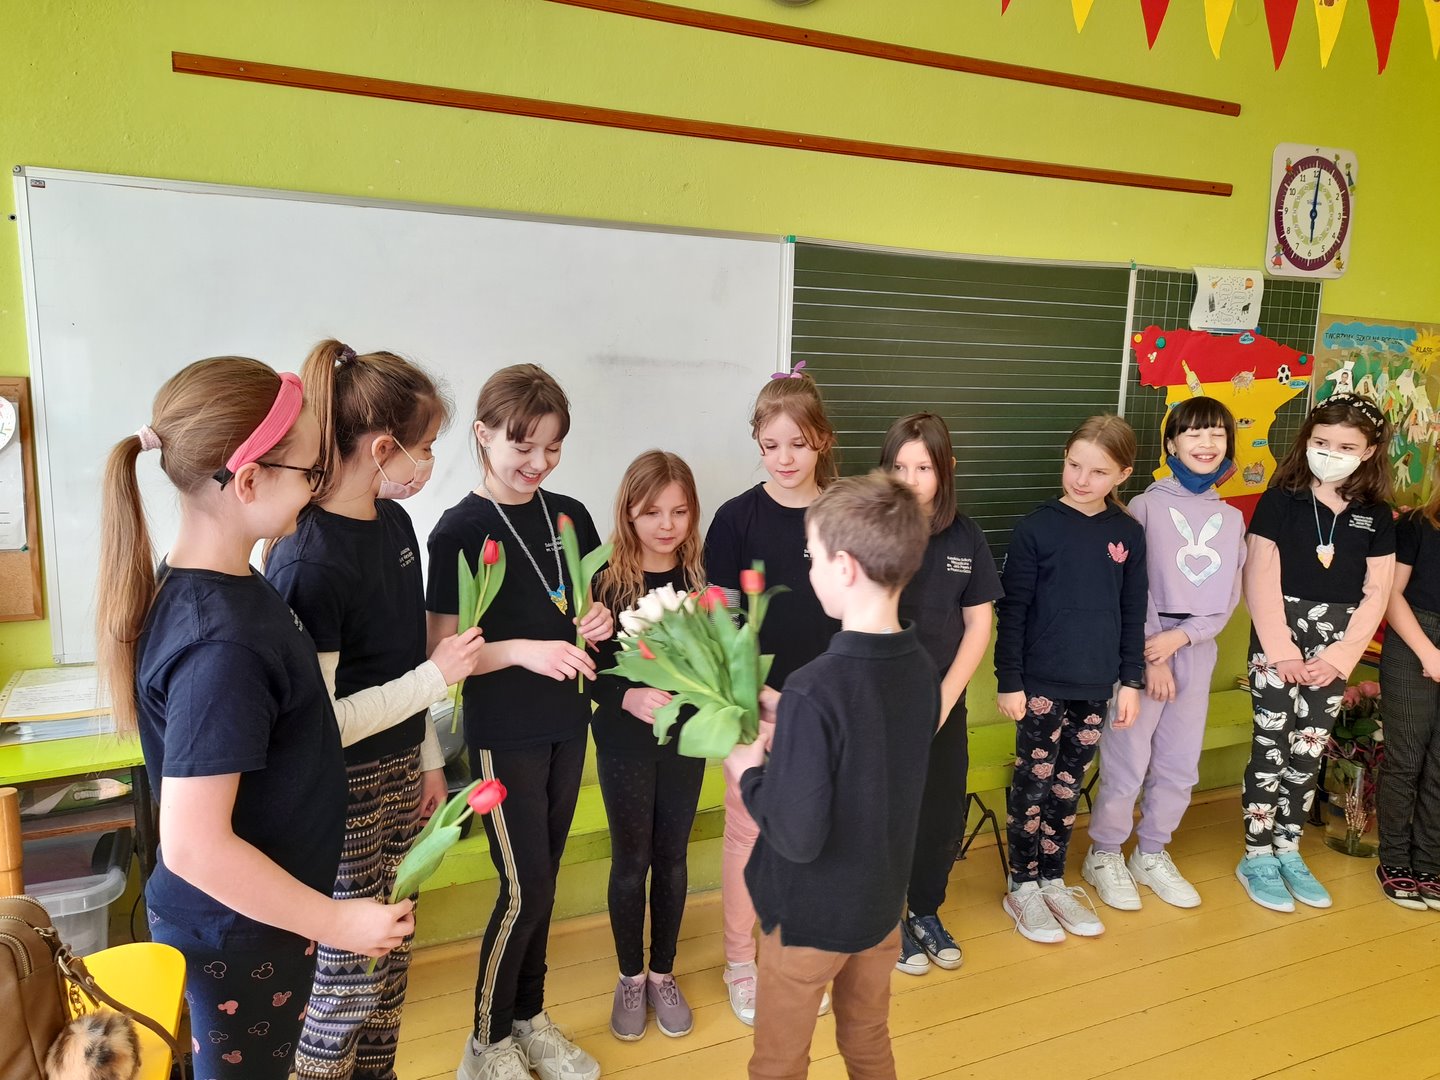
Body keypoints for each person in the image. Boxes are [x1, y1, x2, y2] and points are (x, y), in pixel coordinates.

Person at [97, 357, 413, 1080]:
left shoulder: (233, 583)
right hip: (238, 935)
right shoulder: (222, 644)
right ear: (248, 481)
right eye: (309, 471)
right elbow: (194, 846)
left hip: (261, 920)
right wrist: (338, 921)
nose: (319, 485)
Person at [265, 340, 486, 1079]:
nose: (429, 465)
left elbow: (395, 660)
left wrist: (428, 760)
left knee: (390, 957)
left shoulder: (392, 523)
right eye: (425, 448)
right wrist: (434, 680)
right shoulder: (310, 558)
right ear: (384, 449)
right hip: (345, 792)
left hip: (398, 774)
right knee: (347, 980)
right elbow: (319, 726)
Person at [426, 364, 612, 1080]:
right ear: (483, 435)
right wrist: (522, 651)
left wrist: (596, 620)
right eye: (522, 446)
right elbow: (440, 654)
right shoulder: (458, 530)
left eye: (553, 448)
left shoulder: (569, 516)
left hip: (568, 722)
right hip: (504, 735)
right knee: (523, 889)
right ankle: (486, 1042)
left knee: (545, 882)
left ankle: (530, 1020)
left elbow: (584, 610)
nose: (538, 463)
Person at [726, 470, 936, 1080]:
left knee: (779, 1062)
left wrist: (750, 772)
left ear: (844, 568)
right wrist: (790, 714)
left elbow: (795, 834)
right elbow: (868, 748)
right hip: (879, 909)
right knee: (867, 1040)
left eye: (813, 557)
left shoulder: (815, 687)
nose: (811, 569)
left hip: (809, 919)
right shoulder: (920, 666)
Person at [704, 371, 841, 1024]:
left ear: (822, 441)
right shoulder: (735, 519)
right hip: (753, 707)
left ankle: (798, 952)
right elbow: (719, 623)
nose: (784, 458)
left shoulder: (844, 512)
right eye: (770, 445)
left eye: (798, 444)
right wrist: (756, 695)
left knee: (816, 836)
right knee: (749, 835)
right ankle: (741, 961)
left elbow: (864, 611)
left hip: (828, 708)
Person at [1083, 397, 1245, 911]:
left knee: (1179, 763)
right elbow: (1130, 586)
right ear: (1171, 444)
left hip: (1195, 649)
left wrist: (1185, 638)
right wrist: (1152, 656)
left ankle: (1151, 851)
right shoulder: (1144, 508)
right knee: (1127, 760)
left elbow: (1227, 599)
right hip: (1142, 647)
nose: (1206, 443)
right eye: (1193, 433)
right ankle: (1105, 851)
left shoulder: (1231, 519)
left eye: (1217, 434)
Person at [1238, 394, 1395, 912]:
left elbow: (1377, 592)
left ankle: (1288, 847)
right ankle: (1257, 854)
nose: (1331, 453)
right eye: (1322, 442)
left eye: (1346, 447)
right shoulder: (1280, 499)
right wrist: (1281, 651)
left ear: (1368, 451)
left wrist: (1340, 659)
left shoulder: (1376, 514)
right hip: (1278, 637)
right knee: (1271, 747)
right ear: (1306, 440)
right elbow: (1259, 576)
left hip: (1336, 646)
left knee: (1308, 751)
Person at [995, 415, 1147, 943]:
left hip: (1095, 685)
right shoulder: (1036, 528)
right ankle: (1022, 884)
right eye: (1074, 465)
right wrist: (1009, 680)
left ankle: (1053, 878)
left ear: (1123, 475)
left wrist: (1131, 681)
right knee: (1033, 784)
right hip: (1040, 683)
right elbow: (1013, 611)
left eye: (1098, 472)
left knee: (1067, 786)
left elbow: (1132, 611)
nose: (1082, 480)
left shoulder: (1127, 533)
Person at [591, 451, 709, 1041]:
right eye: (652, 512)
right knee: (631, 861)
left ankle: (663, 972)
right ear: (629, 512)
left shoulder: (699, 579)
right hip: (625, 745)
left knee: (673, 856)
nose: (666, 524)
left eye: (679, 511)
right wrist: (626, 696)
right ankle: (630, 977)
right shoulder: (604, 582)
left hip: (684, 741)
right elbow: (587, 669)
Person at [879, 414, 1002, 975]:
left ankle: (924, 910)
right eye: (899, 467)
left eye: (923, 468)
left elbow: (978, 624)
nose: (910, 479)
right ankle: (886, 920)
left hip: (943, 704)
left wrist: (946, 698)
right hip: (882, 704)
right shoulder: (871, 530)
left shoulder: (965, 536)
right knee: (885, 815)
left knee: (941, 813)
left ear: (946, 469)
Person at [1378, 478, 1440, 911]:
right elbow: (1390, 594)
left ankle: (1430, 863)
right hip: (1414, 637)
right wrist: (1428, 653)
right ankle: (1395, 859)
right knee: (1406, 758)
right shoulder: (1416, 525)